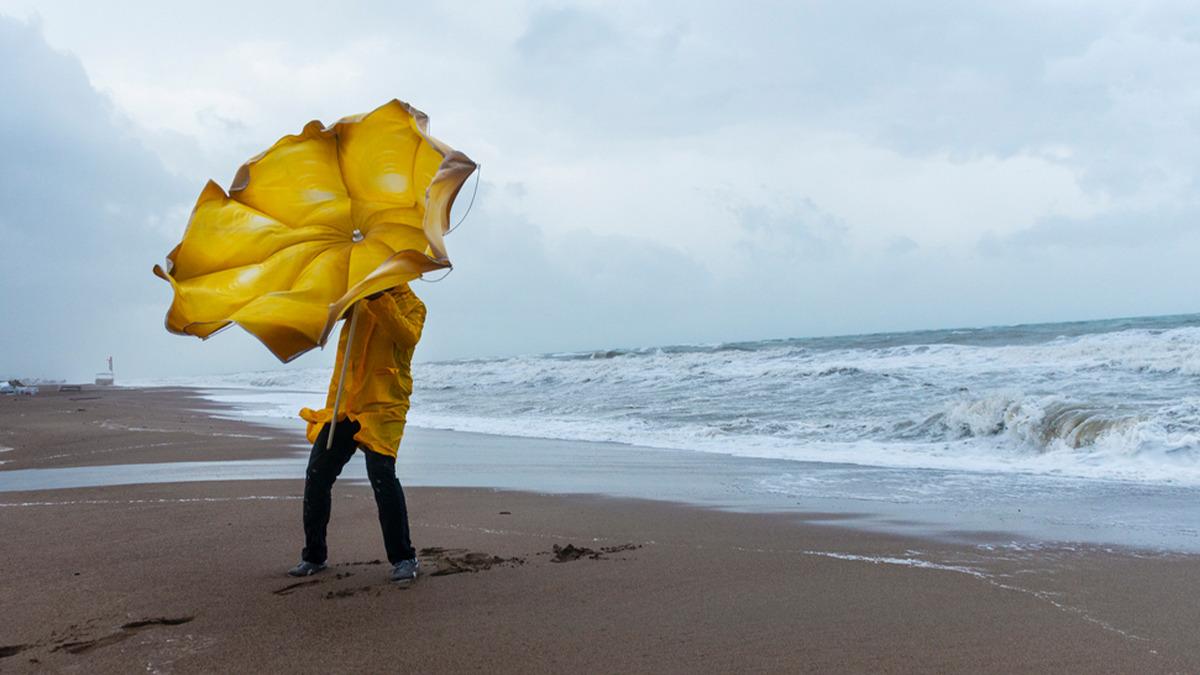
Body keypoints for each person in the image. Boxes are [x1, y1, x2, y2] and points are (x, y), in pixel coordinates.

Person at [288, 284, 427, 584]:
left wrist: (379, 299)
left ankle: (404, 557)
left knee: (382, 475)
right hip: (346, 405)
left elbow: (406, 336)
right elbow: (327, 316)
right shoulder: (357, 301)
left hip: (384, 407)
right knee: (317, 474)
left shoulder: (413, 305)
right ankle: (314, 556)